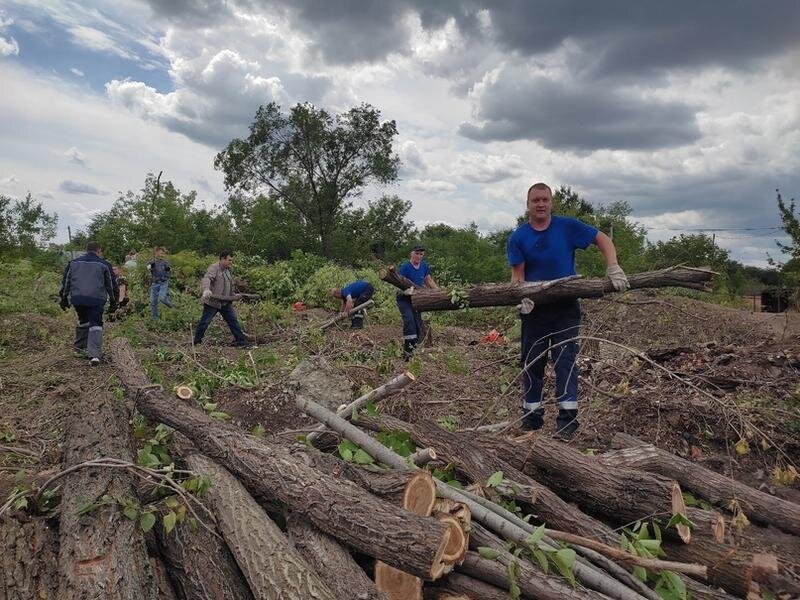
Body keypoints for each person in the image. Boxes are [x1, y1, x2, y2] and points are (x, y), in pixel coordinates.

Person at [507, 182, 629, 437]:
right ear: (528, 204)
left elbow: (602, 239)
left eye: (545, 200)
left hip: (566, 309)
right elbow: (517, 277)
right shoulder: (519, 237)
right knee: (532, 364)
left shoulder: (567, 227)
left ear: (551, 203)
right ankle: (531, 419)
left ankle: (567, 422)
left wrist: (613, 267)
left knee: (565, 362)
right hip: (535, 311)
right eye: (535, 200)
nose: (540, 204)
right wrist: (521, 298)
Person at [58, 241, 118, 365]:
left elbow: (66, 282)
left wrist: (63, 298)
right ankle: (94, 355)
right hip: (96, 299)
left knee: (83, 320)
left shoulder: (73, 263)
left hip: (78, 298)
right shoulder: (104, 264)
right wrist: (114, 302)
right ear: (99, 251)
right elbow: (111, 285)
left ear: (86, 250)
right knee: (96, 323)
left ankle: (80, 349)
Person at [193, 250, 250, 347]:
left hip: (226, 303)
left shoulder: (228, 270)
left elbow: (229, 285)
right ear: (222, 259)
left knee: (233, 321)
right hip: (213, 302)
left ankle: (241, 342)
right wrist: (206, 289)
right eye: (229, 260)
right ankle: (196, 342)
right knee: (205, 322)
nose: (231, 262)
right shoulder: (214, 268)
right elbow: (207, 278)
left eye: (231, 260)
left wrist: (233, 295)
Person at [396, 244, 438, 358]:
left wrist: (439, 293)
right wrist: (404, 291)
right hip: (404, 299)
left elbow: (428, 280)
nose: (419, 256)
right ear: (411, 253)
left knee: (418, 325)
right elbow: (397, 284)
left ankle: (413, 350)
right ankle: (407, 352)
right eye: (417, 253)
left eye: (421, 254)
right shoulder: (405, 267)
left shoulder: (424, 266)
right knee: (409, 321)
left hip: (417, 300)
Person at [147, 246, 172, 319]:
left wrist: (169, 269)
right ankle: (155, 318)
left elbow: (169, 269)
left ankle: (171, 305)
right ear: (156, 253)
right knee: (152, 301)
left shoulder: (165, 262)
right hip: (155, 283)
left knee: (162, 298)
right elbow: (149, 266)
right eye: (160, 253)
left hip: (163, 283)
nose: (161, 255)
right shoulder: (153, 262)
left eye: (163, 254)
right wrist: (149, 266)